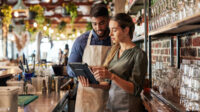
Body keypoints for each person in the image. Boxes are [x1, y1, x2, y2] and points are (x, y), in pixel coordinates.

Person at [80, 13, 148, 112]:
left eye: (114, 30)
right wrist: (91, 83)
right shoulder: (114, 50)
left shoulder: (139, 54)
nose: (110, 34)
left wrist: (112, 76)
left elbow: (136, 90)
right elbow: (108, 84)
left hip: (128, 108)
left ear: (126, 30)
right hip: (111, 106)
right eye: (110, 30)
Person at [67, 3, 112, 112]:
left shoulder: (114, 39)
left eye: (102, 23)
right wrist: (85, 71)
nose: (98, 28)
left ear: (108, 20)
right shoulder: (81, 41)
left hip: (110, 97)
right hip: (86, 98)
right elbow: (69, 69)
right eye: (94, 24)